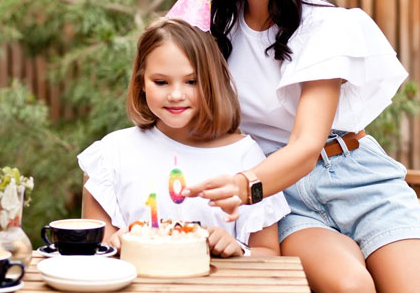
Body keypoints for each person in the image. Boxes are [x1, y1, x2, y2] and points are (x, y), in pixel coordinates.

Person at [183, 0, 420, 293]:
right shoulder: (212, 32)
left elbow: (306, 145)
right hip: (281, 195)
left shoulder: (326, 24)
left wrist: (241, 184)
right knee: (350, 286)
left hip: (355, 176)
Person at [78, 18, 289, 258]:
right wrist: (113, 245)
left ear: (211, 83)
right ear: (141, 83)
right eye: (161, 82)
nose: (176, 95)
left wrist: (239, 249)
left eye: (191, 81)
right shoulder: (112, 153)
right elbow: (94, 253)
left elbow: (269, 253)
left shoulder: (245, 156)